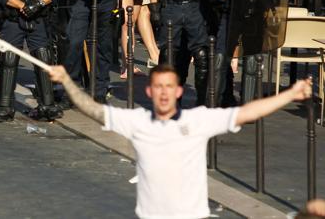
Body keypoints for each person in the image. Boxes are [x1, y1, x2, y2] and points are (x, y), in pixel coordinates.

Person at [47, 63, 312, 218]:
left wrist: (290, 95)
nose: (164, 93)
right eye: (159, 87)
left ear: (179, 91)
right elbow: (93, 110)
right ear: (150, 91)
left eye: (169, 87)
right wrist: (67, 81)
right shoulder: (137, 122)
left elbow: (248, 112)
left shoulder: (198, 121)